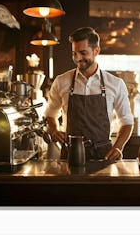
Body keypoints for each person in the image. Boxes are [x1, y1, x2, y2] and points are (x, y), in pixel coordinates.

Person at [44, 27, 134, 161]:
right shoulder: (61, 81)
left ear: (96, 51)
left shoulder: (115, 84)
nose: (77, 58)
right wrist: (54, 130)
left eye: (83, 53)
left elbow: (127, 121)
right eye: (74, 53)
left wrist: (118, 147)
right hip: (70, 155)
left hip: (104, 156)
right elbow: (50, 115)